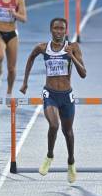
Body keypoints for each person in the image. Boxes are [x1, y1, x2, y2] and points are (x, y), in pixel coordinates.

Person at [19, 18, 87, 184]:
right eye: (56, 28)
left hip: (66, 95)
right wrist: (25, 82)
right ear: (51, 30)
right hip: (50, 94)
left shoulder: (73, 47)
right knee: (54, 125)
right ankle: (49, 155)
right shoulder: (42, 47)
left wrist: (72, 57)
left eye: (61, 29)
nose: (58, 31)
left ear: (66, 31)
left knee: (68, 132)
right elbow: (30, 58)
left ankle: (71, 161)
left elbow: (83, 73)